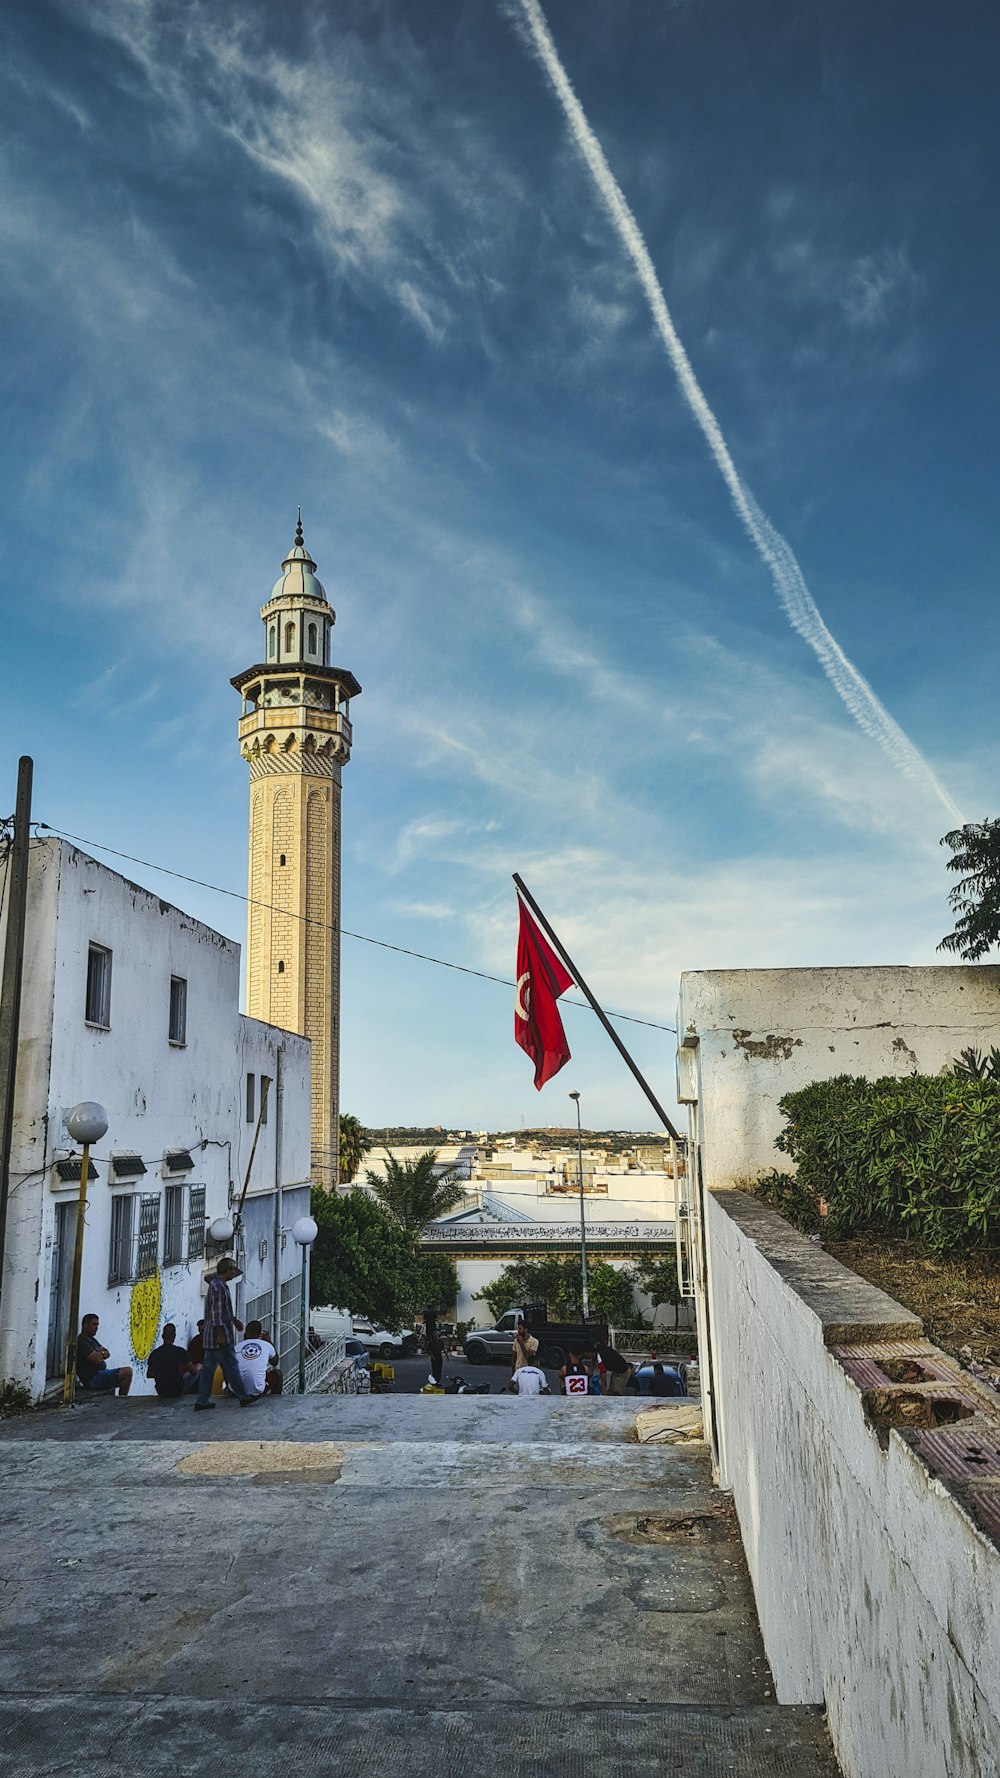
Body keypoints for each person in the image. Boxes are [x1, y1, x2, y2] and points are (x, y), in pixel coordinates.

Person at [194, 1258, 257, 1410]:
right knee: (231, 1366)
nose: (234, 1273)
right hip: (219, 1338)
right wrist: (221, 1335)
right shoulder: (218, 1287)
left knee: (209, 1369)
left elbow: (222, 1310)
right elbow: (216, 1314)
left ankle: (202, 1400)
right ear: (227, 1270)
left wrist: (234, 1321)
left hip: (213, 1337)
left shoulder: (219, 1285)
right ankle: (243, 1397)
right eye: (232, 1269)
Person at [75, 1314, 132, 1396]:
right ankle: (122, 1401)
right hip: (92, 1380)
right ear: (85, 1325)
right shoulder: (81, 1342)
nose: (96, 1328)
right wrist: (101, 1354)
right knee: (127, 1372)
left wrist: (99, 1354)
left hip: (101, 1374)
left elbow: (107, 1352)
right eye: (94, 1324)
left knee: (125, 1374)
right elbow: (97, 1360)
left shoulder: (92, 1340)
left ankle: (121, 1399)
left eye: (97, 1325)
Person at [146, 1323, 197, 1398]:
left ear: (162, 1336)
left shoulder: (154, 1353)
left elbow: (149, 1374)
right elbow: (193, 1372)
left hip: (161, 1390)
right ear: (174, 1336)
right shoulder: (180, 1351)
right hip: (177, 1389)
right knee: (199, 1371)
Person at [235, 1320, 283, 1397]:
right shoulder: (266, 1345)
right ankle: (275, 1401)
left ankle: (229, 1389)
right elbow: (275, 1362)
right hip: (257, 1390)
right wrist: (269, 1341)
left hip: (235, 1390)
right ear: (259, 1333)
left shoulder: (237, 1347)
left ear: (247, 1332)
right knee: (278, 1373)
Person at [422, 1307, 444, 1388]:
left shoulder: (426, 1312)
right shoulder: (433, 1311)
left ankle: (435, 1381)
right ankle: (436, 1381)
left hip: (428, 1326)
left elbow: (424, 1318)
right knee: (437, 1369)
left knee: (428, 1338)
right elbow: (435, 1317)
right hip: (433, 1326)